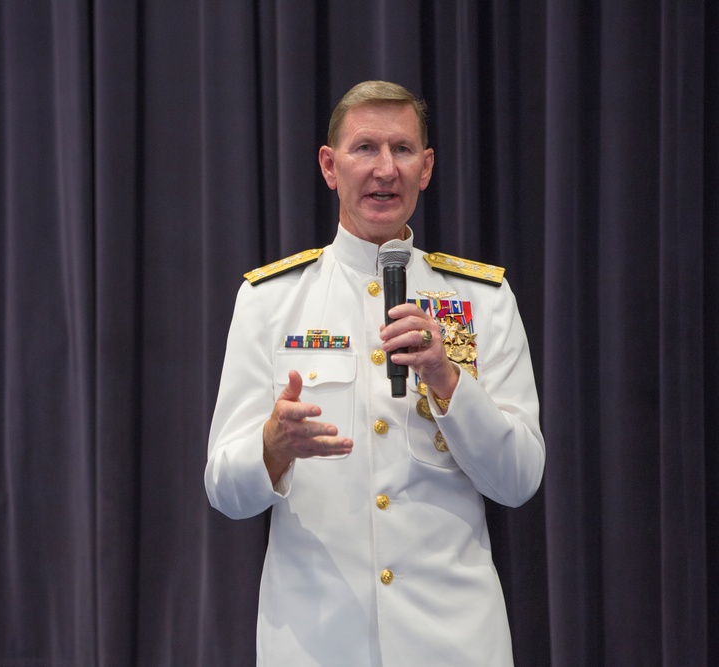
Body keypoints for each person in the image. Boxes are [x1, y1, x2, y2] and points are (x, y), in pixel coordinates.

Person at [204, 80, 545, 666]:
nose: (385, 169)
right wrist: (272, 447)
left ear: (427, 167)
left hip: (453, 643)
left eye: (403, 150)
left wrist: (447, 380)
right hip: (315, 645)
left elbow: (519, 480)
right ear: (329, 167)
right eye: (365, 149)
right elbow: (225, 492)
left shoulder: (482, 298)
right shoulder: (270, 300)